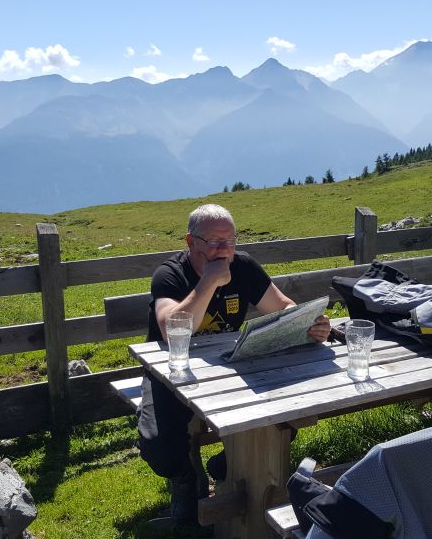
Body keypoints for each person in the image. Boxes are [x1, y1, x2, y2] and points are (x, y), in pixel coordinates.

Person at [139, 203, 331, 527]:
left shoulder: (243, 266)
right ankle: (185, 476)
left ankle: (226, 468)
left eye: (230, 241)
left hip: (230, 367)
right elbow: (172, 331)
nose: (224, 250)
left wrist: (308, 322)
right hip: (172, 371)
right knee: (159, 446)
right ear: (191, 242)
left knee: (286, 412)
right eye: (215, 242)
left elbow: (282, 306)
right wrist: (208, 283)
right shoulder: (170, 274)